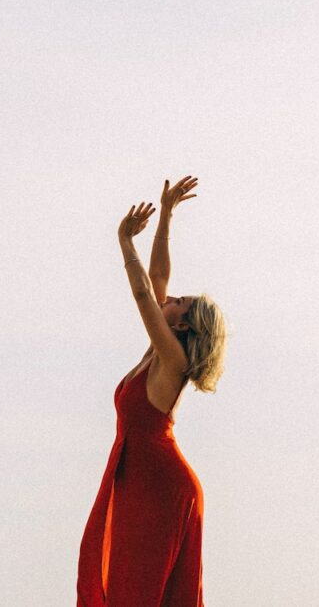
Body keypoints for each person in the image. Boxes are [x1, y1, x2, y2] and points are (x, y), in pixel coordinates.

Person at [76, 175, 227, 607]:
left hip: (163, 485)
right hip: (142, 477)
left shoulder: (171, 359)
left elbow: (144, 292)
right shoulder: (157, 351)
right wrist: (167, 216)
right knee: (121, 581)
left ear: (181, 326)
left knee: (137, 590)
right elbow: (157, 277)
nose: (172, 295)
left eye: (180, 302)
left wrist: (125, 241)